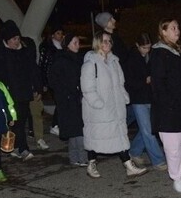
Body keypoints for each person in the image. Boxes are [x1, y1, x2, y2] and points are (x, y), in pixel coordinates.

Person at [80, 30, 147, 179]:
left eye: (109, 41)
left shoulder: (114, 62)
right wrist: (98, 103)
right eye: (104, 41)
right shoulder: (90, 64)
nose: (108, 43)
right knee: (96, 138)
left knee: (120, 137)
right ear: (97, 42)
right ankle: (91, 163)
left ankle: (128, 165)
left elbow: (120, 83)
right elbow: (87, 89)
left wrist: (124, 96)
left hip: (115, 107)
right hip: (98, 110)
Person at [150, 18, 181, 194]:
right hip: (167, 109)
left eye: (178, 27)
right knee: (172, 148)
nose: (177, 30)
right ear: (163, 32)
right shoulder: (158, 53)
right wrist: (168, 103)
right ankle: (177, 177)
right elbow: (158, 83)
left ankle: (177, 169)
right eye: (173, 28)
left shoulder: (179, 50)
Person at [0, 20, 42, 161]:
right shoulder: (0, 53)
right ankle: (23, 148)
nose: (17, 41)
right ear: (7, 39)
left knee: (21, 120)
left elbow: (33, 70)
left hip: (24, 92)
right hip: (9, 94)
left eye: (18, 38)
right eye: (14, 39)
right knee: (16, 120)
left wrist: (37, 87)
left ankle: (13, 146)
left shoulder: (24, 51)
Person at [121, 33, 167, 171]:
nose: (146, 50)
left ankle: (134, 151)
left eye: (148, 47)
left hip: (150, 97)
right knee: (148, 131)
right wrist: (144, 81)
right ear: (137, 45)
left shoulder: (150, 56)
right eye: (144, 47)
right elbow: (129, 82)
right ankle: (158, 160)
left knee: (148, 127)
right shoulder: (131, 59)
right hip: (138, 99)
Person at [48, 33, 87, 168]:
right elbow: (53, 80)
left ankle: (76, 157)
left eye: (78, 42)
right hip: (68, 100)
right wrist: (66, 92)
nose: (77, 45)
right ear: (67, 44)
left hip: (77, 99)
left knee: (76, 130)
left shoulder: (78, 58)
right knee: (76, 130)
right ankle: (80, 157)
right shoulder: (61, 60)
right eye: (74, 43)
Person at [39, 22, 64, 139]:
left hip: (61, 79)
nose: (60, 35)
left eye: (61, 33)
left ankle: (58, 124)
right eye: (58, 33)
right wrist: (45, 82)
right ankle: (55, 125)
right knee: (59, 102)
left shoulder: (62, 47)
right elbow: (44, 65)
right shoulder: (48, 48)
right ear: (53, 35)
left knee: (61, 102)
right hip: (53, 80)